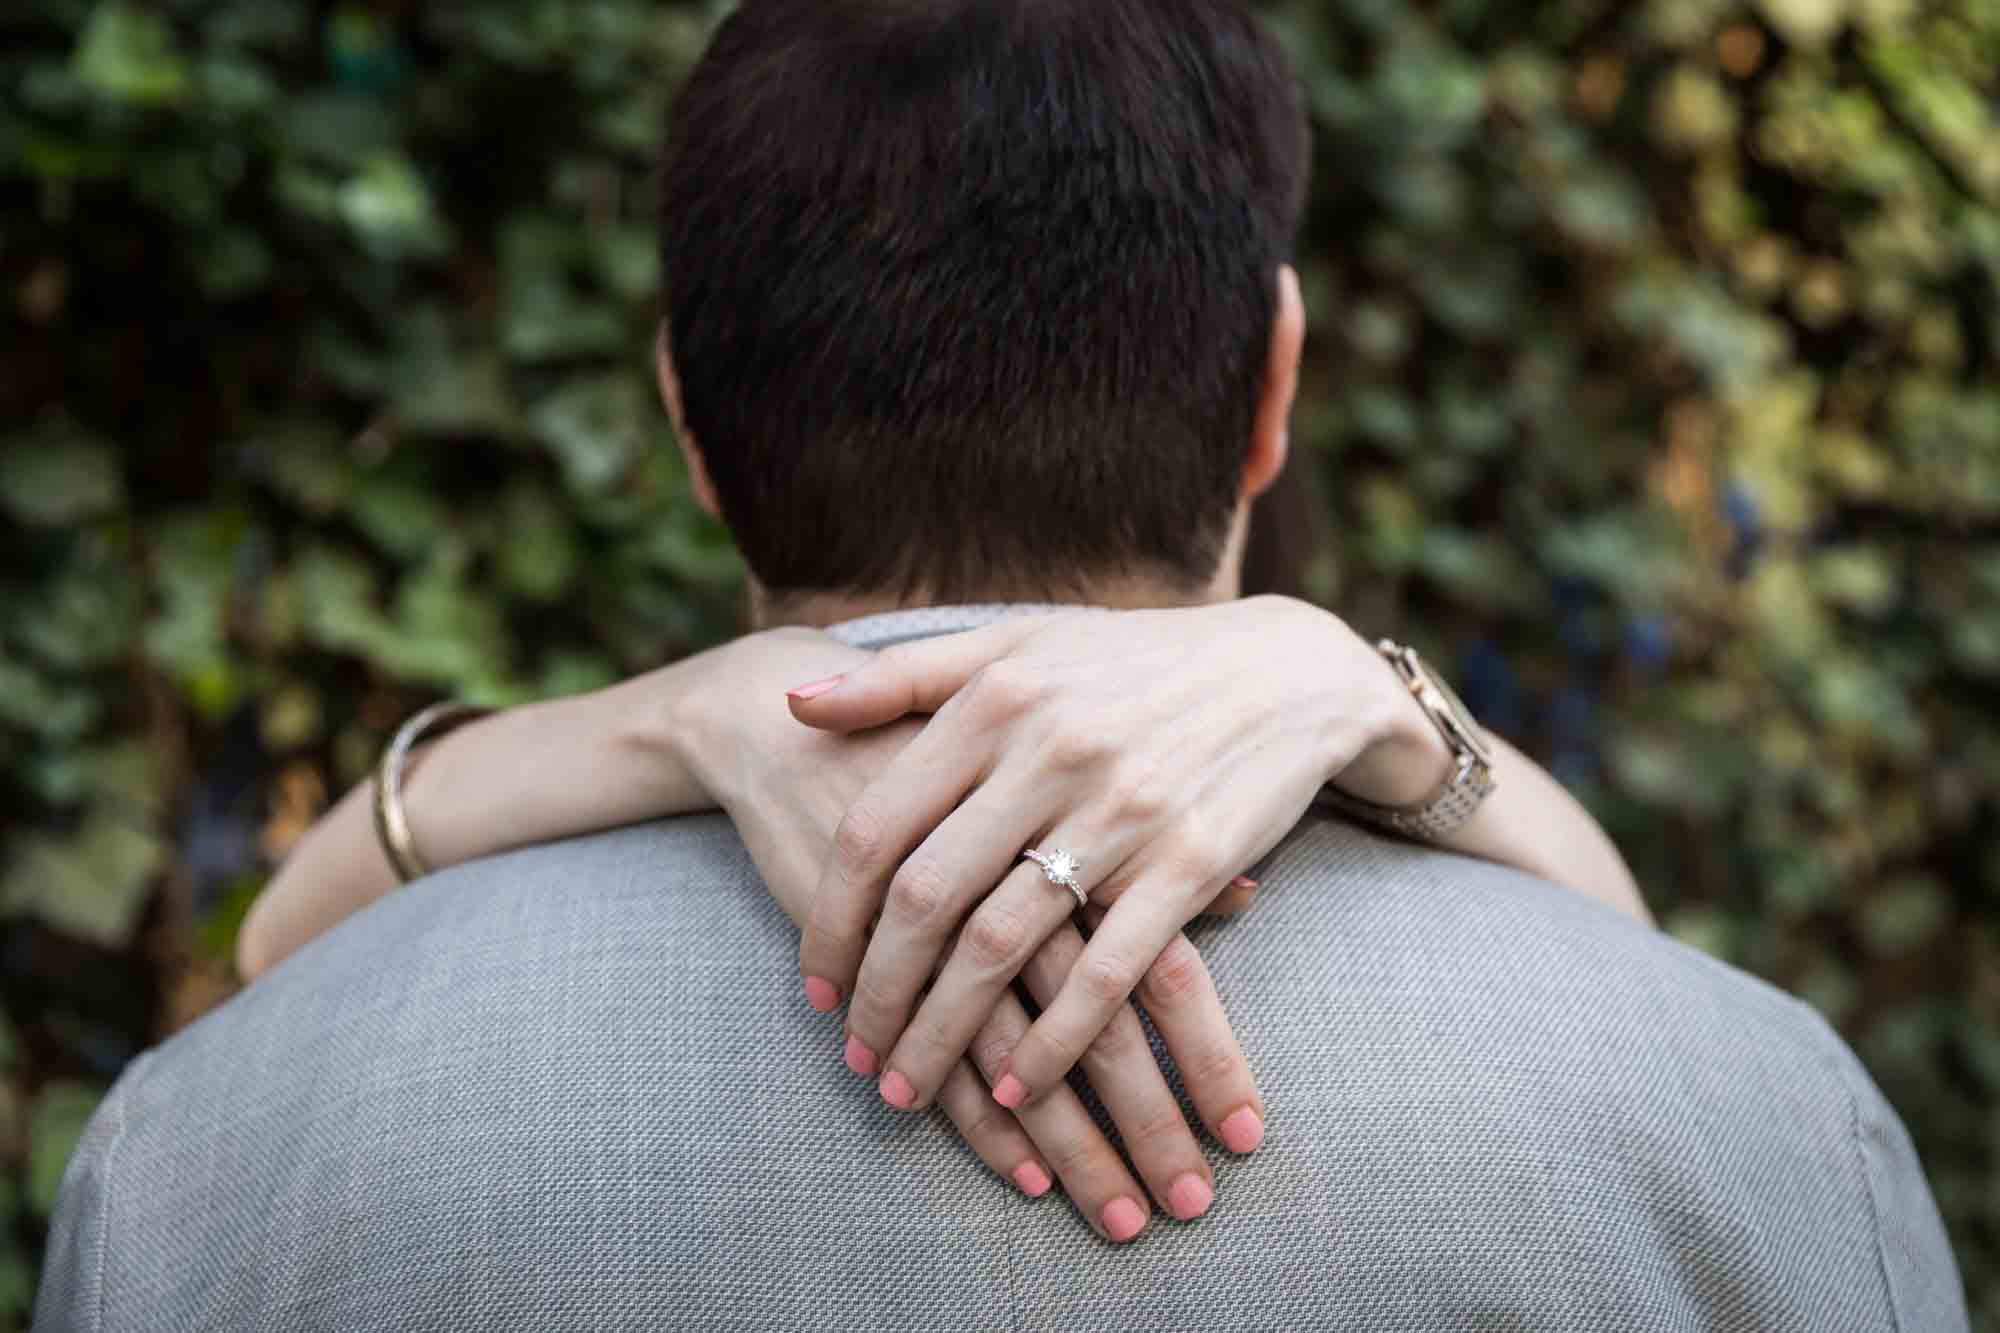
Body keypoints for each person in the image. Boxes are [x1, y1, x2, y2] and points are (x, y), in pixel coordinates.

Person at [36, 0, 1965, 1328]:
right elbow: (1627, 940)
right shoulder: (1767, 1117)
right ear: (1274, 382)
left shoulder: (208, 1154)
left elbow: (279, 945)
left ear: (687, 418)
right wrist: (1368, 694)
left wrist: (651, 726)